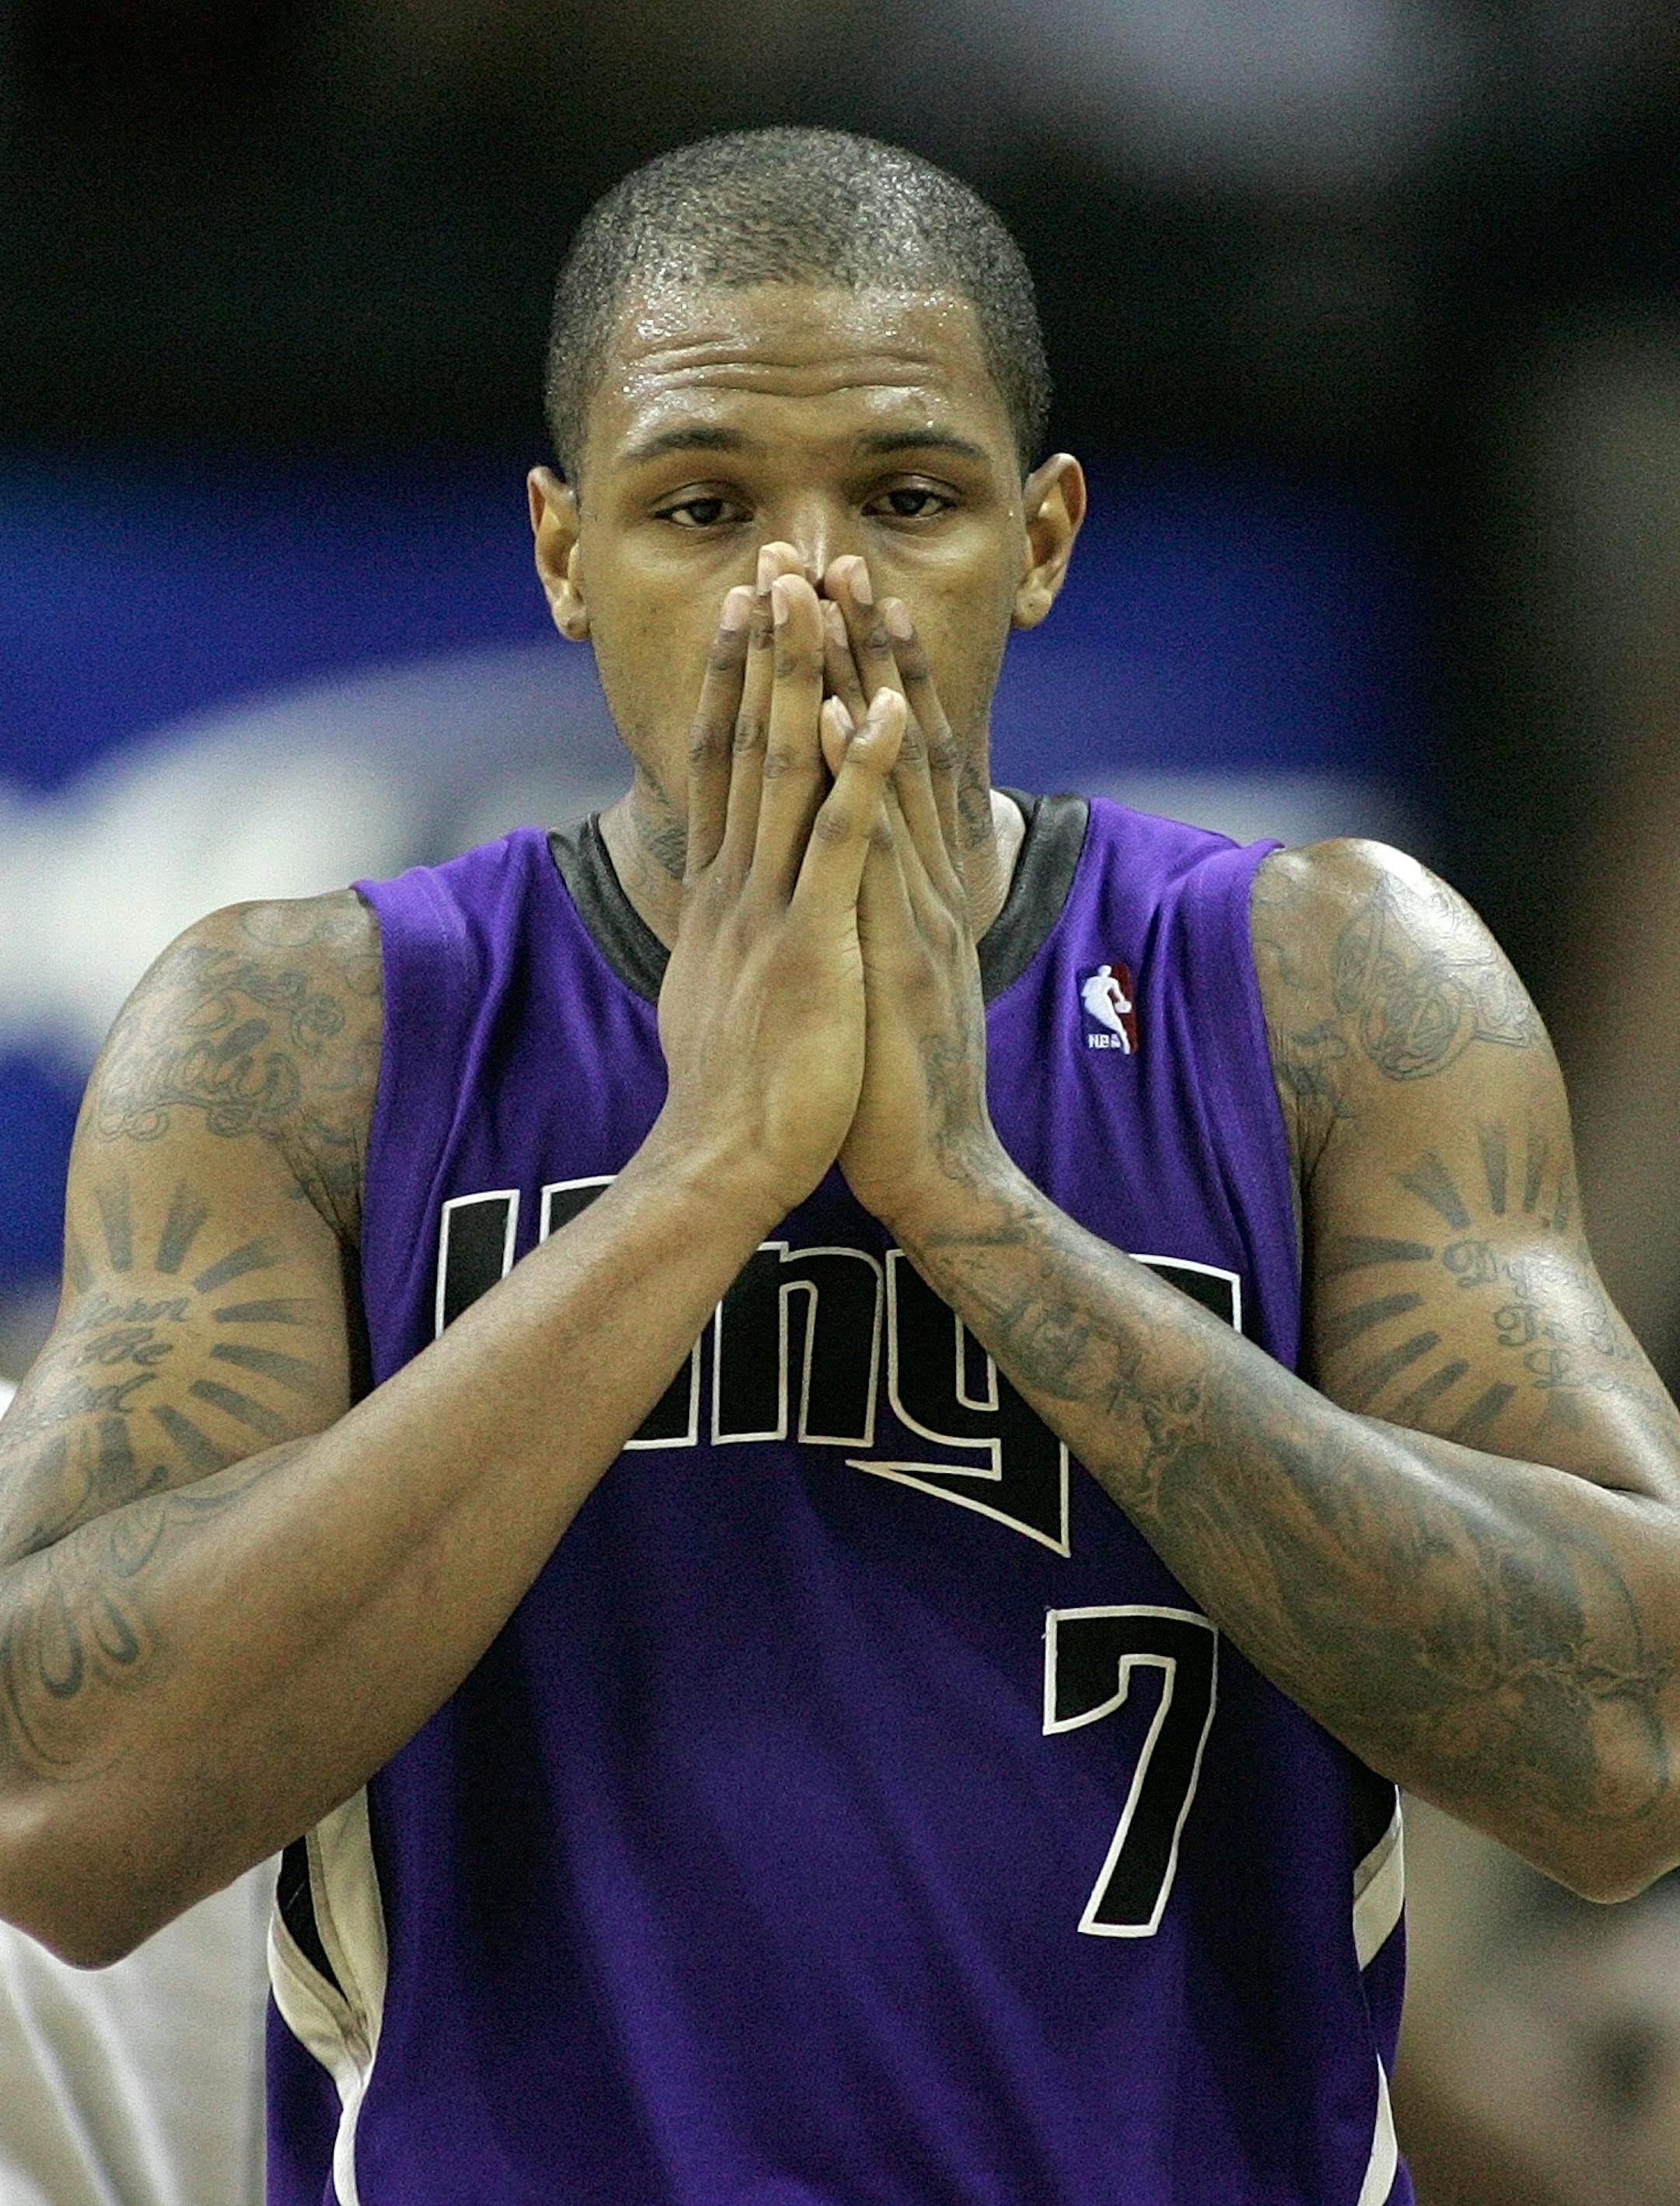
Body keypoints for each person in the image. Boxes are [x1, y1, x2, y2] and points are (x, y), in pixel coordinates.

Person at [1, 127, 1678, 2206]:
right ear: (561, 549)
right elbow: (57, 1816)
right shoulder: (304, 1037)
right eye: (702, 504)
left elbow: (1631, 1749)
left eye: (909, 496)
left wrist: (976, 1206)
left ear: (1045, 536)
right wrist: (698, 1181)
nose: (817, 585)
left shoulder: (1323, 984)